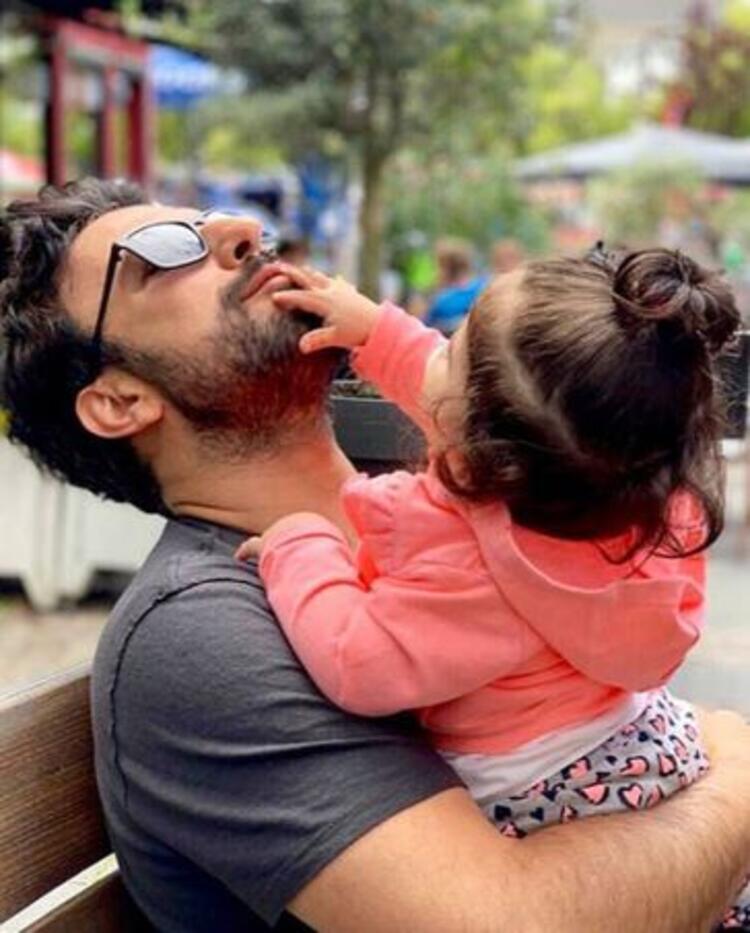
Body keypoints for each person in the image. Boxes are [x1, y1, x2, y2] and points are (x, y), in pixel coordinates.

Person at [1, 179, 750, 933]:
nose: (240, 230)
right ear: (119, 401)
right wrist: (738, 776)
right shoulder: (199, 630)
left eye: (214, 218)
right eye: (162, 253)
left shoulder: (464, 495)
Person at [243, 251, 749, 923]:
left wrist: (300, 541)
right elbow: (483, 409)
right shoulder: (632, 507)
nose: (434, 353)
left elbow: (356, 659)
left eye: (452, 349)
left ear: (487, 444)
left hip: (546, 801)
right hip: (648, 755)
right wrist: (375, 330)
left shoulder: (465, 560)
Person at [423, 237, 487, 335]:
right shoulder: (482, 286)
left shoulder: (443, 300)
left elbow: (426, 325)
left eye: (438, 265)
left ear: (447, 267)